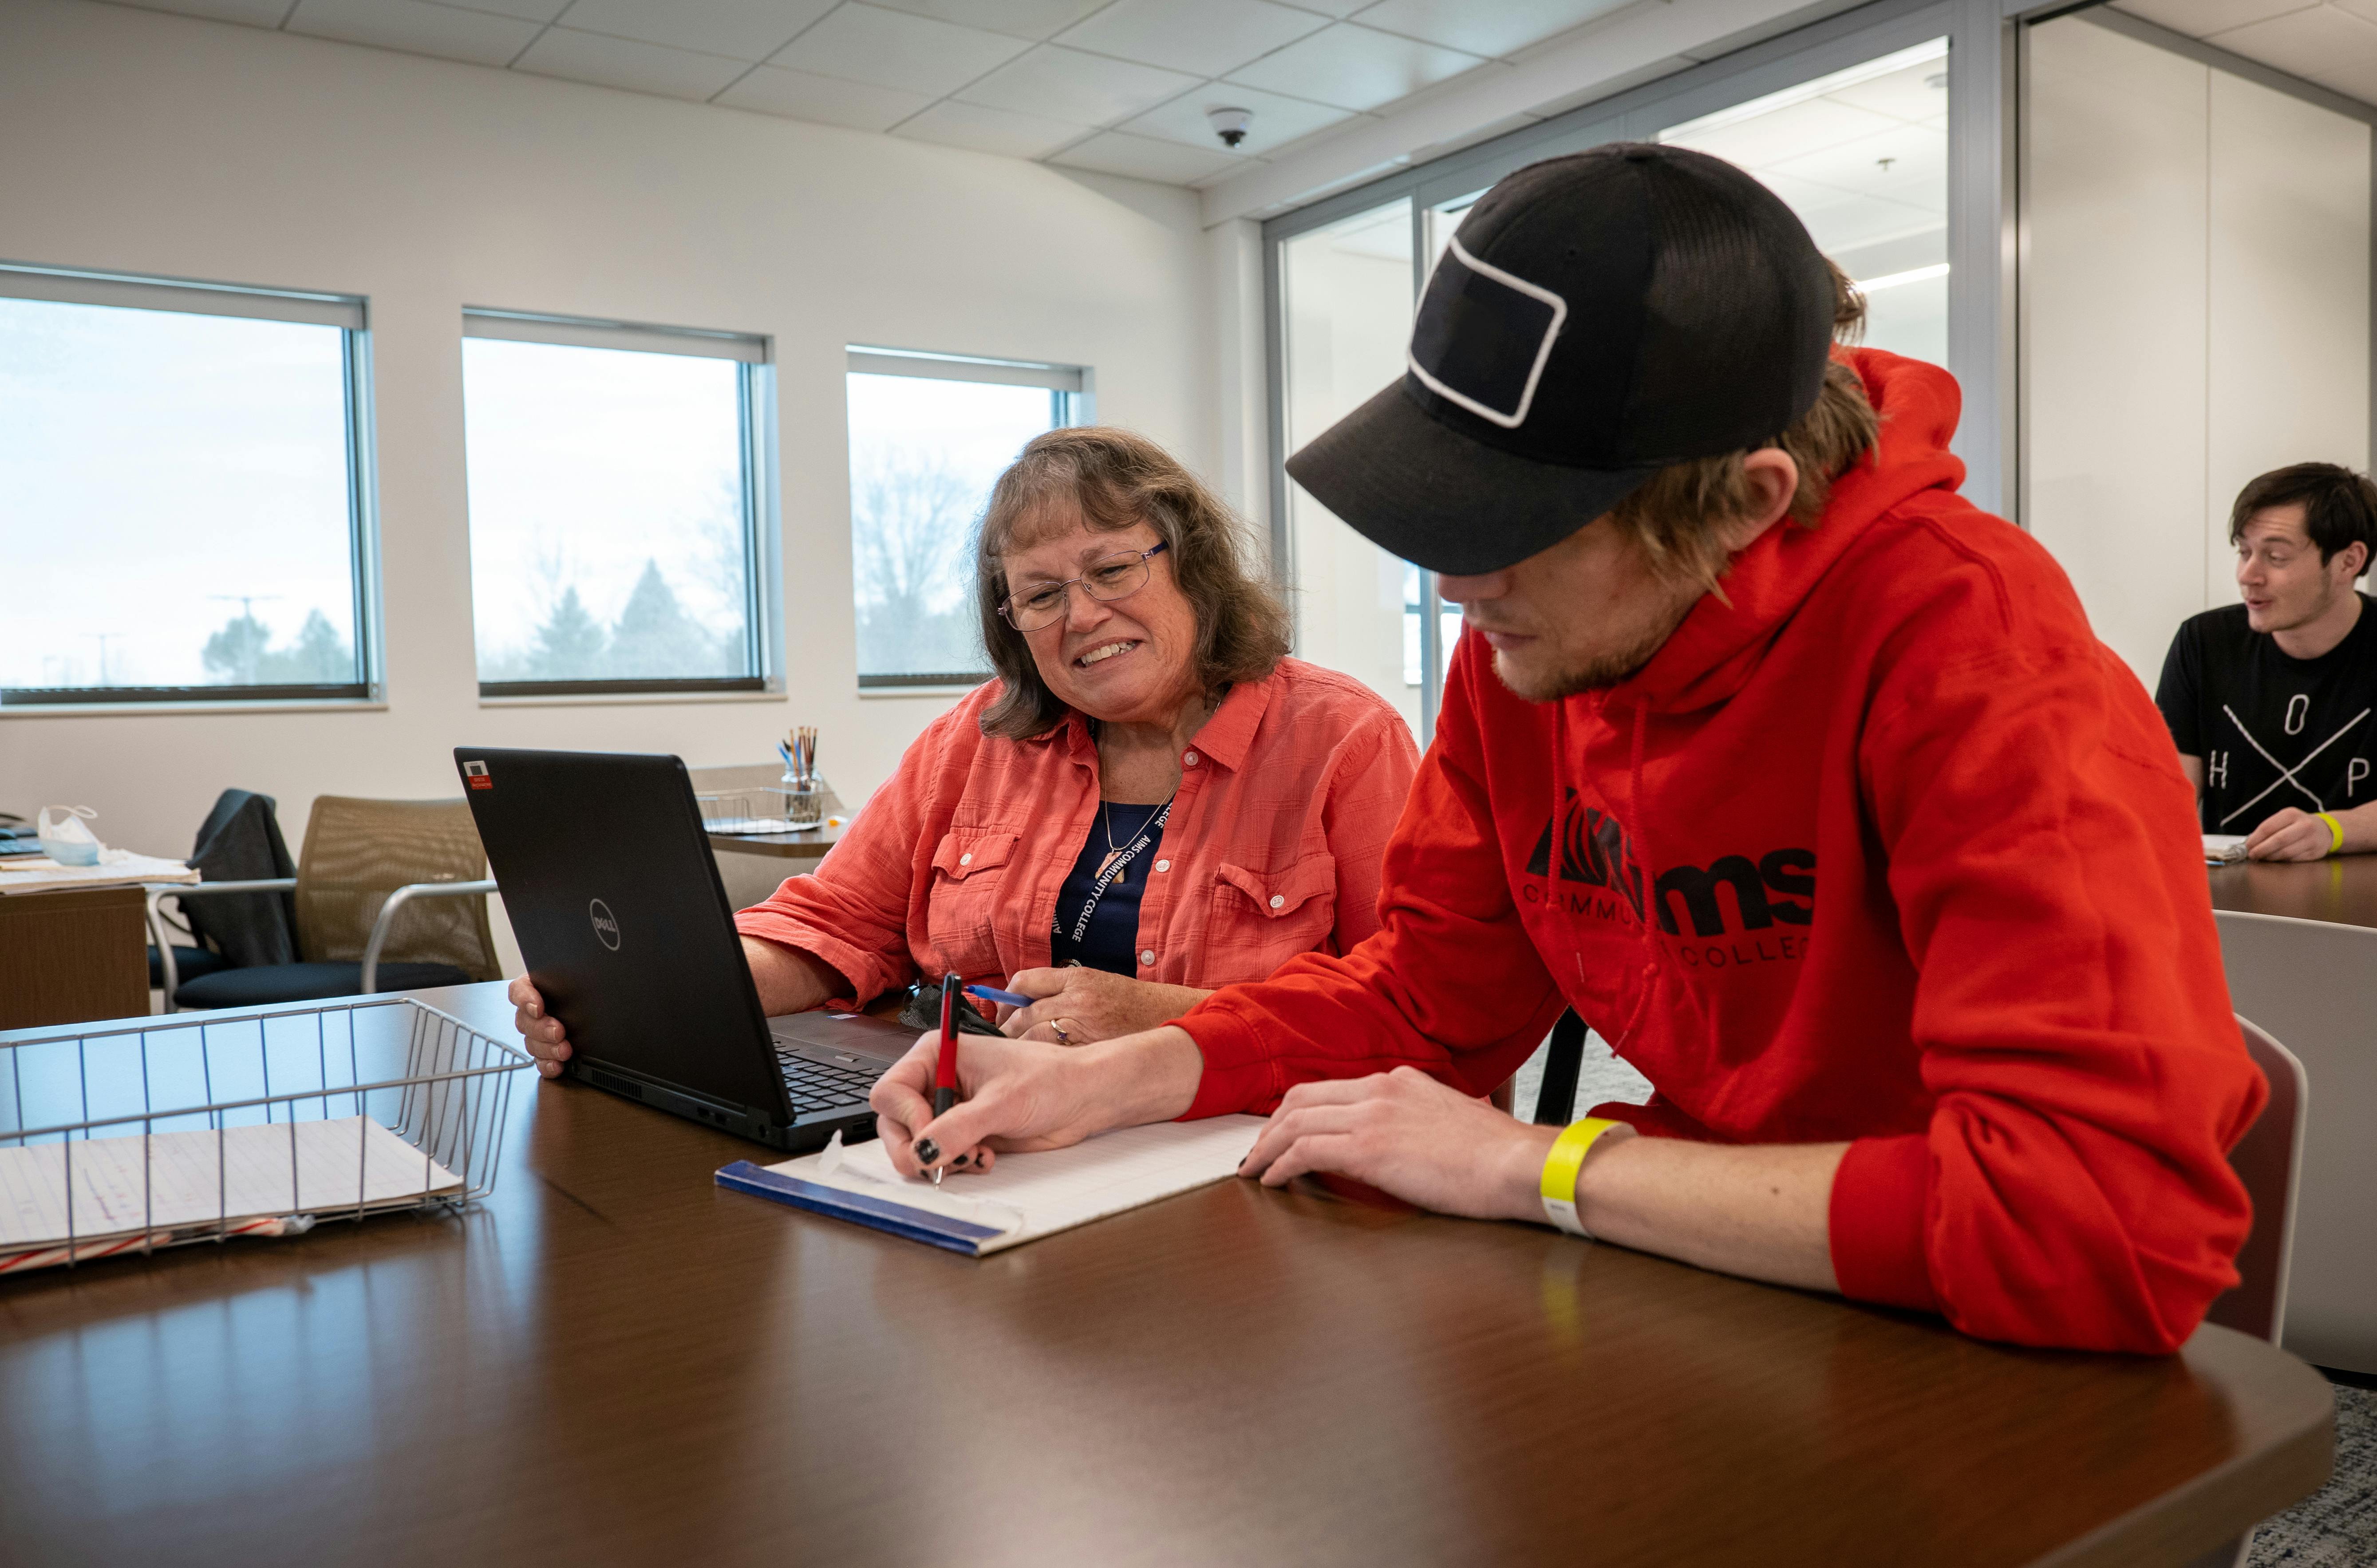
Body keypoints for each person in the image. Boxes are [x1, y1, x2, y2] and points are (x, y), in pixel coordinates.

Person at [866, 143, 2265, 1356]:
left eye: (1500, 529)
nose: (1446, 584)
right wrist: (1109, 1077)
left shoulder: (1981, 667)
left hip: (1963, 1340)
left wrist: (1540, 1161)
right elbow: (1430, 993)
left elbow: (2105, 1229)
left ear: (1740, 505)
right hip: (1698, 1282)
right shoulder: (1526, 655)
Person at [509, 426, 1420, 1077]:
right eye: (1040, 594)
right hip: (983, 1130)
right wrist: (643, 999)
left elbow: (1418, 1019)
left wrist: (1174, 1023)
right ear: (1012, 622)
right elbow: (838, 926)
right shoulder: (973, 740)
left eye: (1111, 570)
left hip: (1237, 1151)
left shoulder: (1343, 742)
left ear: (1193, 566)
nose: (1083, 615)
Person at [2154, 464, 2377, 861]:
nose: (2248, 575)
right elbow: (2164, 795)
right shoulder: (2203, 641)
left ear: (2348, 561)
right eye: (2244, 552)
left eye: (2275, 557)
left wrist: (2329, 830)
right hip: (2237, 892)